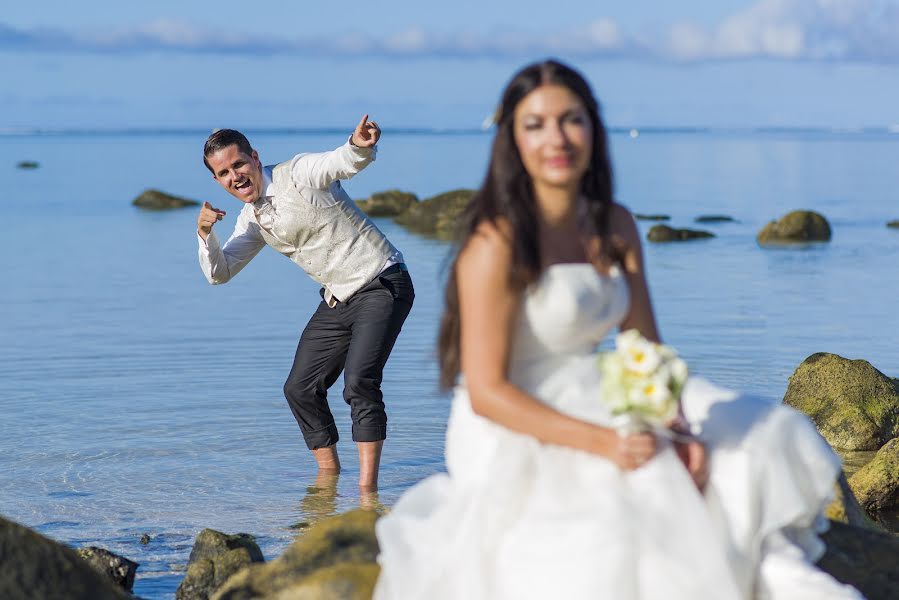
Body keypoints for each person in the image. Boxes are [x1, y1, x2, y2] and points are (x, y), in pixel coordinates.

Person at [373, 61, 862, 599]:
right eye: (535, 124)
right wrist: (608, 443)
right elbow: (487, 393)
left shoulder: (617, 224)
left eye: (571, 120)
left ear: (594, 129)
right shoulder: (496, 241)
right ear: (512, 141)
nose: (556, 138)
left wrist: (677, 425)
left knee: (751, 440)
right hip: (513, 417)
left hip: (597, 387)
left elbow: (644, 347)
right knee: (640, 488)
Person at [196, 116, 414, 493]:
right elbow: (221, 271)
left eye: (239, 164)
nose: (236, 176)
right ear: (217, 181)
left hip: (381, 280)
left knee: (359, 382)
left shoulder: (297, 173)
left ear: (255, 157)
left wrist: (359, 145)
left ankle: (367, 494)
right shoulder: (252, 219)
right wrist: (205, 234)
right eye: (225, 173)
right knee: (299, 388)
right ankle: (328, 478)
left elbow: (341, 161)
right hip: (338, 297)